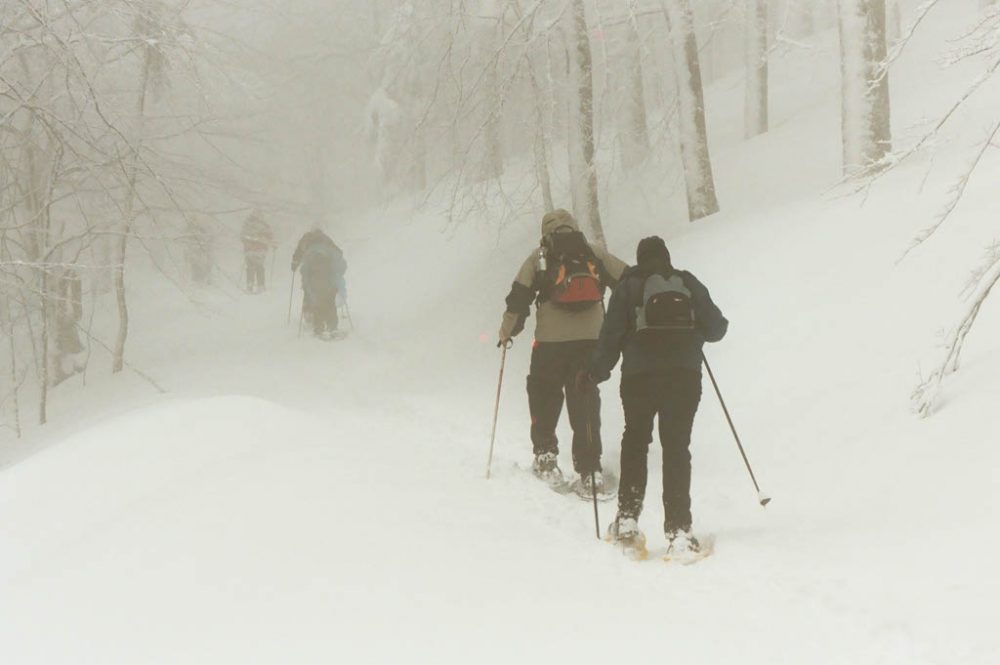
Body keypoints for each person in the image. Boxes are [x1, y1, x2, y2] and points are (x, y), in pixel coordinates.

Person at [580, 236, 728, 558]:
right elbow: (717, 329)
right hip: (684, 377)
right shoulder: (687, 282)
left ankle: (628, 521)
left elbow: (611, 337)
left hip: (639, 378)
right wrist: (694, 334)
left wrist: (593, 373)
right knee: (676, 448)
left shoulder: (629, 287)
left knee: (635, 442)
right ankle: (678, 531)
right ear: (667, 258)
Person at [497, 209, 628, 493]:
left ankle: (546, 457)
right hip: (591, 340)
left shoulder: (539, 257)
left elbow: (519, 297)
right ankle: (590, 470)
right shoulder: (592, 252)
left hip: (550, 343)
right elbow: (627, 280)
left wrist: (507, 331)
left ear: (545, 231)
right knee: (585, 400)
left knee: (544, 394)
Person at [291, 227, 347, 338]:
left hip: (313, 277)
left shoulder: (307, 239)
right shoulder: (326, 240)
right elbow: (338, 253)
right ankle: (332, 326)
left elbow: (299, 256)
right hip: (329, 278)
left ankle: (317, 324)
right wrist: (339, 273)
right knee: (329, 300)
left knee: (314, 298)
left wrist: (295, 264)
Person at [241, 211, 275, 293]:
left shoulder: (247, 224)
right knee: (259, 267)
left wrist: (246, 243)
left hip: (249, 250)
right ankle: (261, 286)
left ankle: (250, 285)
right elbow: (270, 236)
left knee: (250, 267)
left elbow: (242, 236)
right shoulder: (264, 225)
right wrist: (272, 244)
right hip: (260, 250)